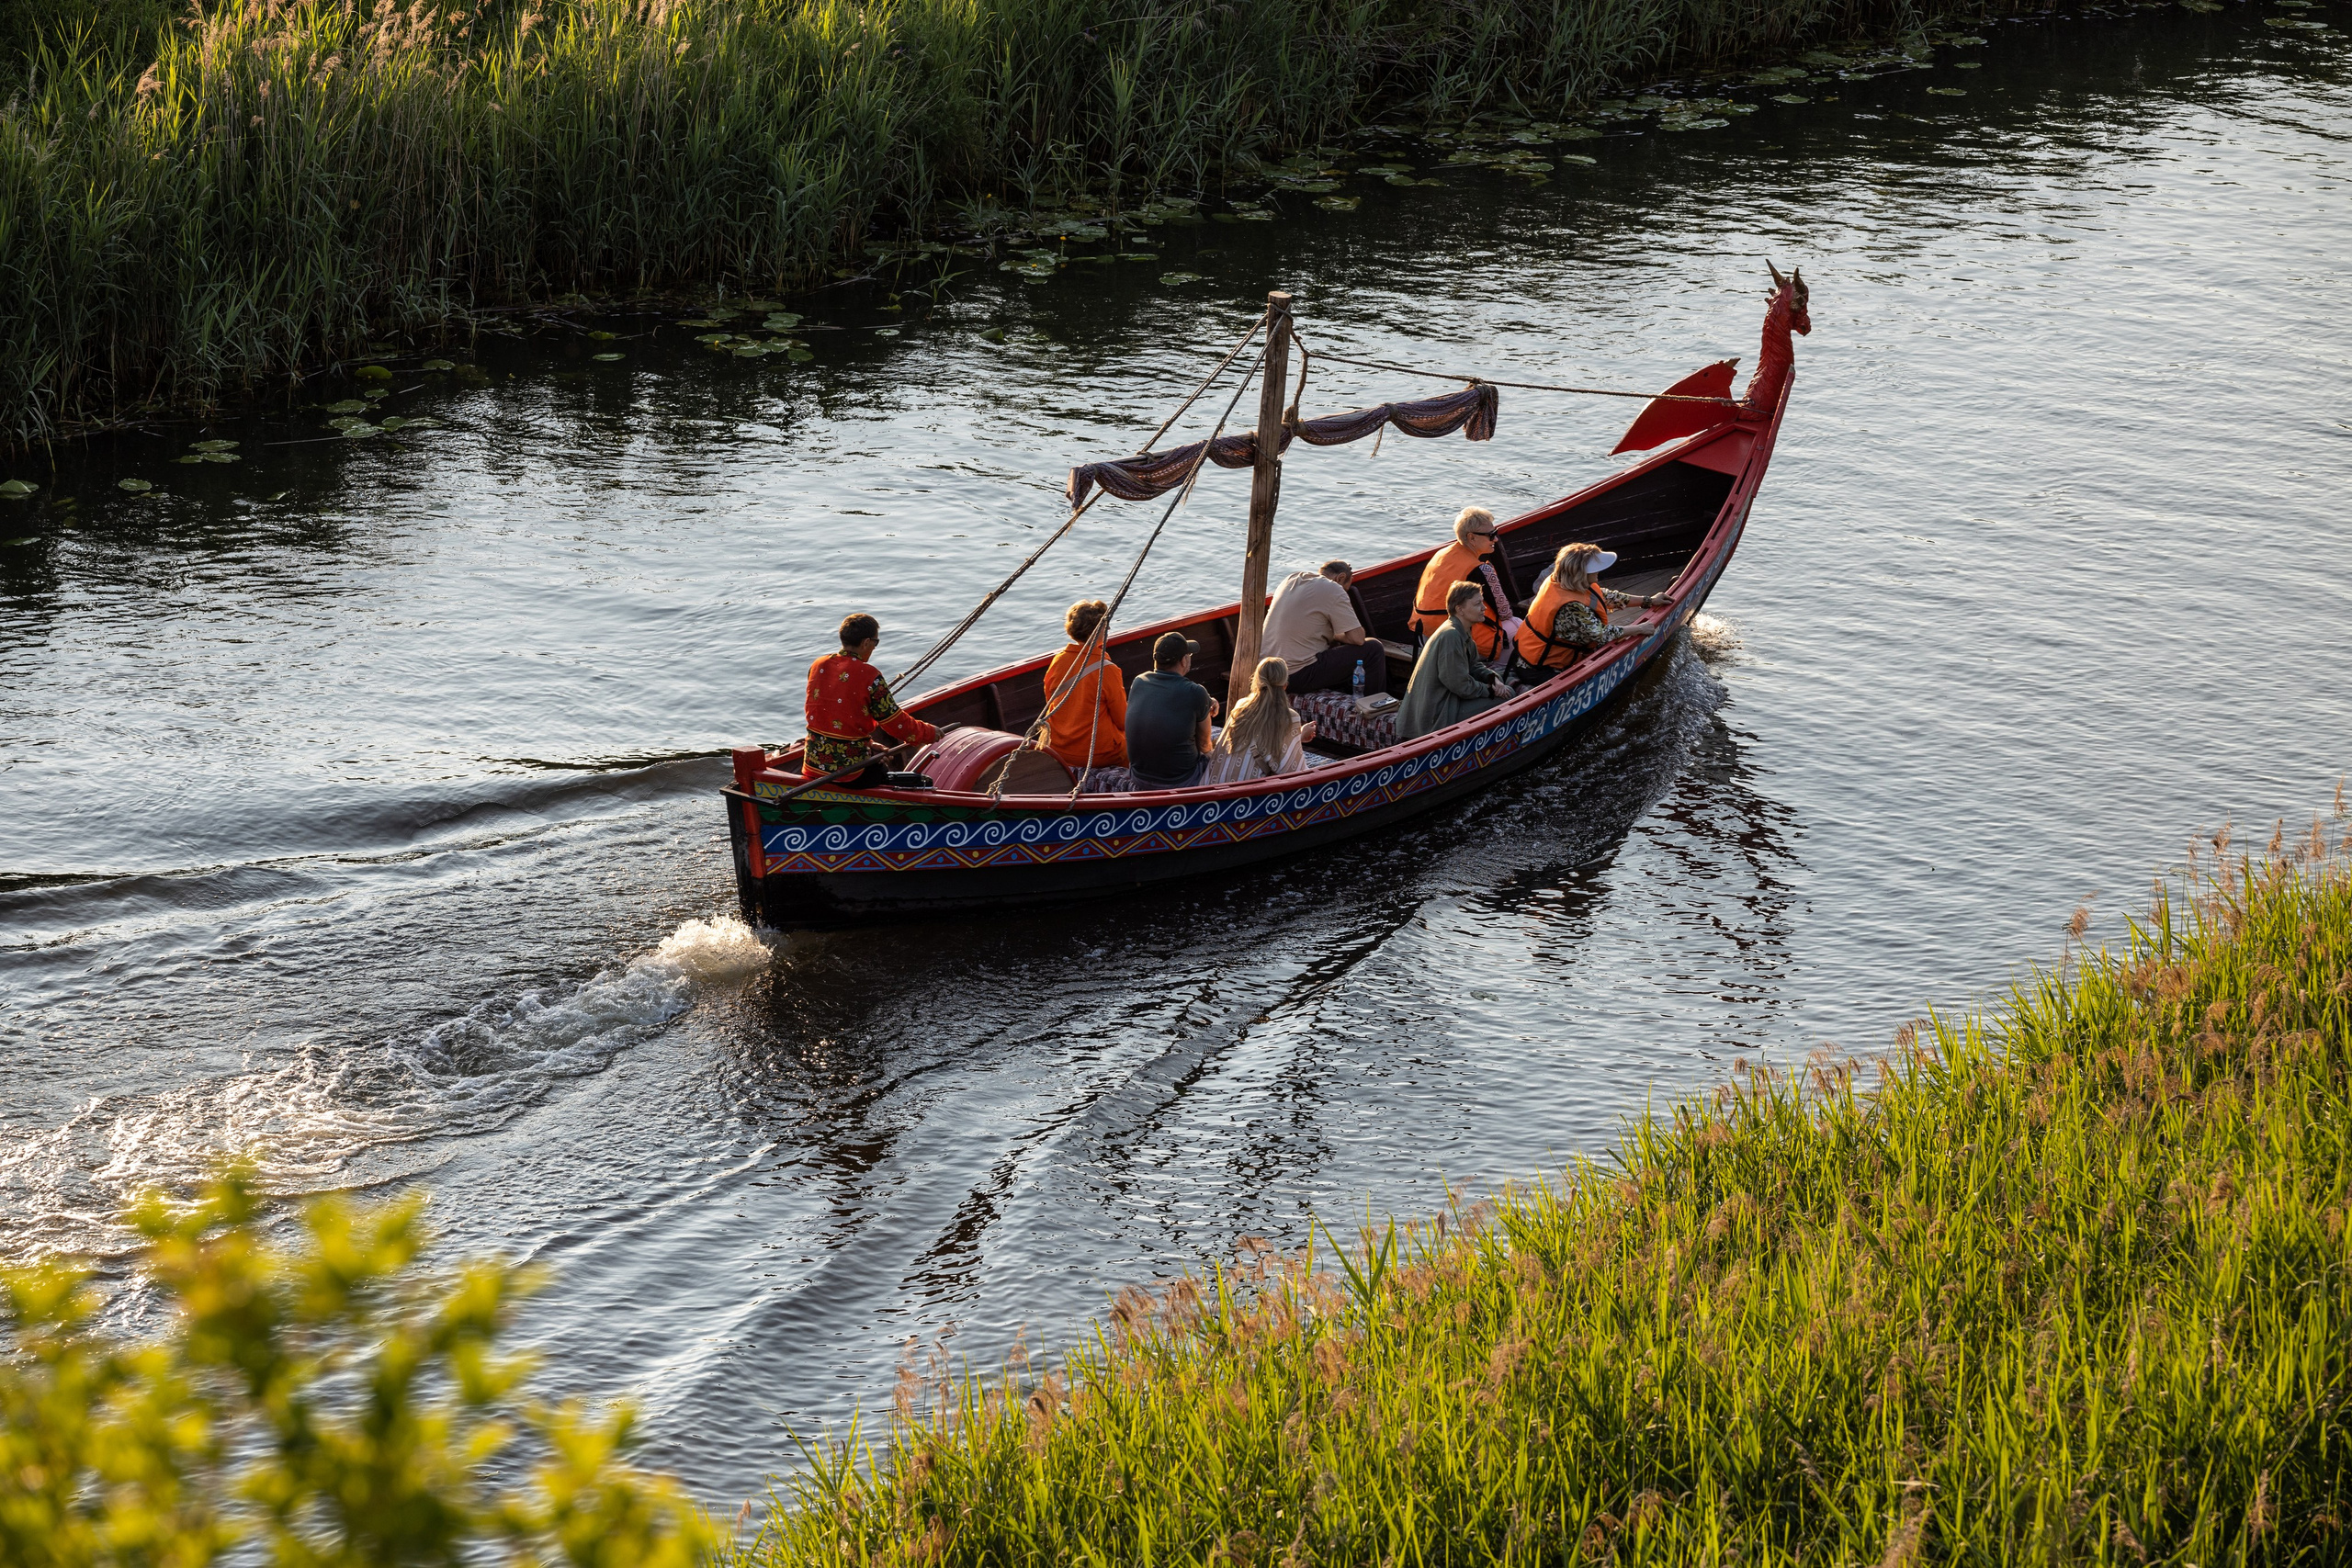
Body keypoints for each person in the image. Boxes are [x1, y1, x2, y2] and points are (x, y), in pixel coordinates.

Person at [803, 613, 938, 780]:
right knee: (920, 781)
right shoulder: (870, 675)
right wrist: (929, 733)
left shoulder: (818, 665)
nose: (874, 648)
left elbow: (833, 715)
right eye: (876, 642)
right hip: (850, 772)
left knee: (877, 761)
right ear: (867, 642)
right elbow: (894, 722)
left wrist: (869, 743)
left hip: (812, 764)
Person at [1514, 543, 1669, 673]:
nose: (1598, 571)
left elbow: (1607, 597)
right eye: (1594, 569)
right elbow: (1601, 634)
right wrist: (1638, 629)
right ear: (1580, 574)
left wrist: (1650, 600)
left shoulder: (1564, 582)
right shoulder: (1570, 607)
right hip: (1542, 668)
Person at [1397, 582, 1510, 740]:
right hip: (1435, 717)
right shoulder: (1451, 635)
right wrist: (1491, 690)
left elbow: (1474, 665)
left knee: (1504, 680)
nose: (1484, 608)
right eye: (1478, 604)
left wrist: (1492, 679)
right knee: (1508, 697)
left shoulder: (1462, 629)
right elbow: (1460, 685)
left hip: (1447, 701)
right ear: (1460, 609)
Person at [1408, 506, 1520, 660]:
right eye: (1491, 535)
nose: (1496, 539)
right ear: (1472, 538)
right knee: (1518, 627)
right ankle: (1501, 670)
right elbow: (1505, 612)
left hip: (1425, 634)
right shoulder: (1481, 569)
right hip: (1456, 641)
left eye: (1495, 533)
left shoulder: (1441, 554)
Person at [1261, 559, 1384, 695]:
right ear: (1341, 577)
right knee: (1373, 649)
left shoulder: (1292, 579)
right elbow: (1358, 638)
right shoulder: (1334, 588)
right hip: (1294, 677)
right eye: (1347, 589)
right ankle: (1374, 706)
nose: (1346, 592)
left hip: (1268, 670)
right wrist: (1336, 634)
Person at [1038, 599, 1128, 771]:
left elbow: (1051, 700)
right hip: (1098, 753)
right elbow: (1122, 721)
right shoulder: (1107, 670)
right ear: (1100, 630)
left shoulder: (1058, 661)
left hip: (1057, 748)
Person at [1125, 631, 1220, 789]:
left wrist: (1208, 700)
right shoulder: (1196, 692)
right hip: (1180, 780)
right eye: (1189, 654)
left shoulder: (1139, 682)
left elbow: (1163, 700)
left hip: (1139, 777)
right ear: (1184, 660)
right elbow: (1204, 746)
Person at [1206, 657, 1321, 784]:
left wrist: (1297, 736)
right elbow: (1291, 770)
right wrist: (1300, 735)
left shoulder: (1241, 706)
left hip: (1213, 784)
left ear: (1257, 681)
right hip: (1245, 794)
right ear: (1285, 685)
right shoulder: (1289, 717)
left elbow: (1257, 743)